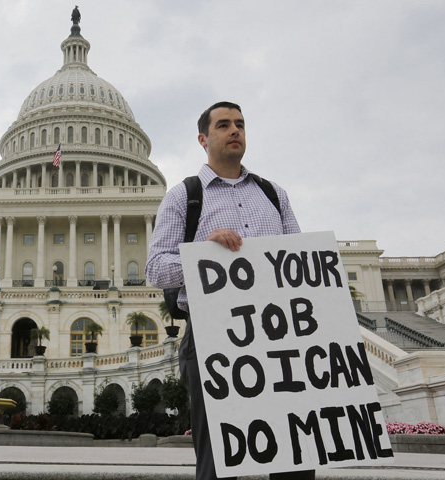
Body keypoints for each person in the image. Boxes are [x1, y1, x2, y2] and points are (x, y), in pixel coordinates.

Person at [145, 102, 314, 480]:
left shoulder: (274, 195)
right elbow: (156, 270)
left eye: (240, 124)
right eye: (224, 125)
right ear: (204, 139)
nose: (234, 130)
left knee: (296, 455)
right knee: (220, 459)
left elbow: (298, 264)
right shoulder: (183, 196)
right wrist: (205, 253)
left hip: (278, 335)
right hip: (212, 336)